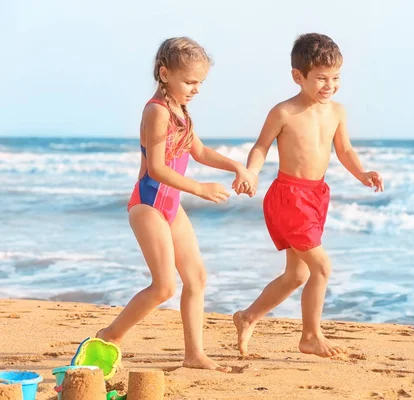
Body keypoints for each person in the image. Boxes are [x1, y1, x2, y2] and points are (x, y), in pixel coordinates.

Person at [95, 37, 257, 372]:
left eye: (201, 82)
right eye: (190, 81)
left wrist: (237, 166)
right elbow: (156, 168)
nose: (196, 89)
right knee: (165, 285)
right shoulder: (156, 111)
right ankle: (110, 335)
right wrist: (199, 188)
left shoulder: (181, 110)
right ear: (164, 73)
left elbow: (198, 152)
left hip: (171, 207)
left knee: (196, 277)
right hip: (148, 205)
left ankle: (194, 354)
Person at [234, 33, 384, 358]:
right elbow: (261, 147)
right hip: (288, 196)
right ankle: (311, 336)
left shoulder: (337, 112)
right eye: (320, 79)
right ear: (298, 76)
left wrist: (361, 173)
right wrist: (251, 172)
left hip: (316, 196)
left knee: (296, 274)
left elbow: (344, 149)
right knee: (321, 268)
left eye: (335, 78)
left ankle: (248, 317)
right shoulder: (284, 112)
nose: (329, 85)